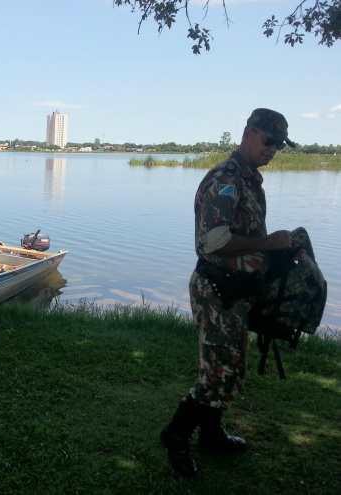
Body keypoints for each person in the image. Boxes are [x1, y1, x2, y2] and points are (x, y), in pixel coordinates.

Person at [160, 108, 298, 476]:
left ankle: (212, 435)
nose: (273, 149)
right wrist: (267, 244)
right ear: (249, 133)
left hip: (236, 290)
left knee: (231, 368)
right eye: (269, 141)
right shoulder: (225, 179)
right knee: (217, 373)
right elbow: (212, 241)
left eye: (279, 145)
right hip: (217, 290)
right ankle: (175, 435)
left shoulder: (250, 180)